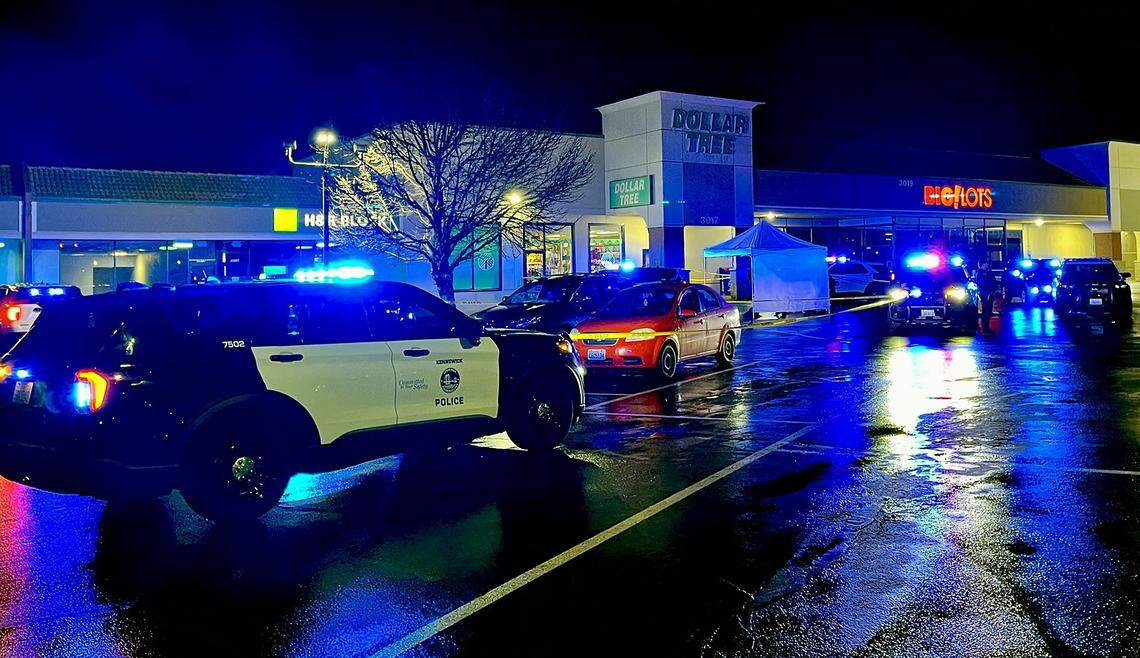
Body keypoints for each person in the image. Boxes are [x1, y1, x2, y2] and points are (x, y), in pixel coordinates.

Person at [975, 259, 997, 334]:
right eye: (985, 264)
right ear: (982, 265)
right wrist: (988, 291)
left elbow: (993, 282)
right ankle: (985, 328)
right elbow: (982, 284)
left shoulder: (989, 273)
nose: (987, 265)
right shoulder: (980, 273)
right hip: (985, 294)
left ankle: (987, 327)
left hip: (990, 293)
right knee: (986, 311)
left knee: (989, 311)